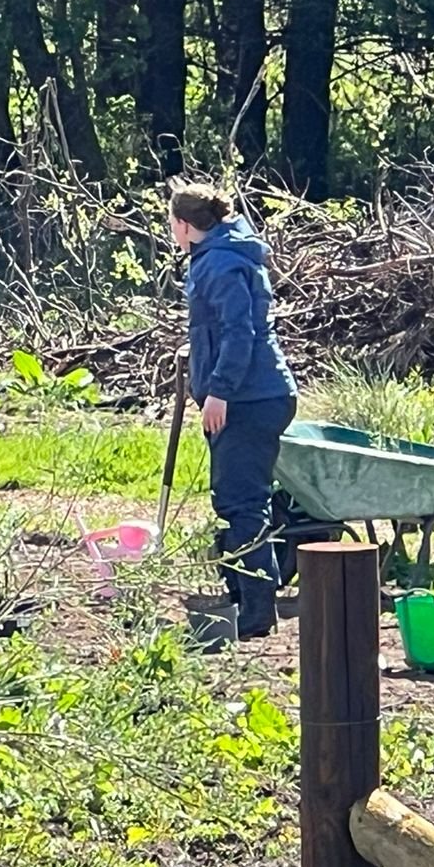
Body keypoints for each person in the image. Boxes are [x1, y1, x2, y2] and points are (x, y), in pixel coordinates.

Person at [170, 183, 299, 640]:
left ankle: (257, 613)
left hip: (248, 399)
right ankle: (243, 597)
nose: (172, 232)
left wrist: (219, 391)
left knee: (241, 504)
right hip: (256, 394)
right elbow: (220, 328)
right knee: (236, 500)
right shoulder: (225, 252)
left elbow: (239, 332)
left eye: (172, 224)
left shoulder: (220, 262)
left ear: (185, 225)